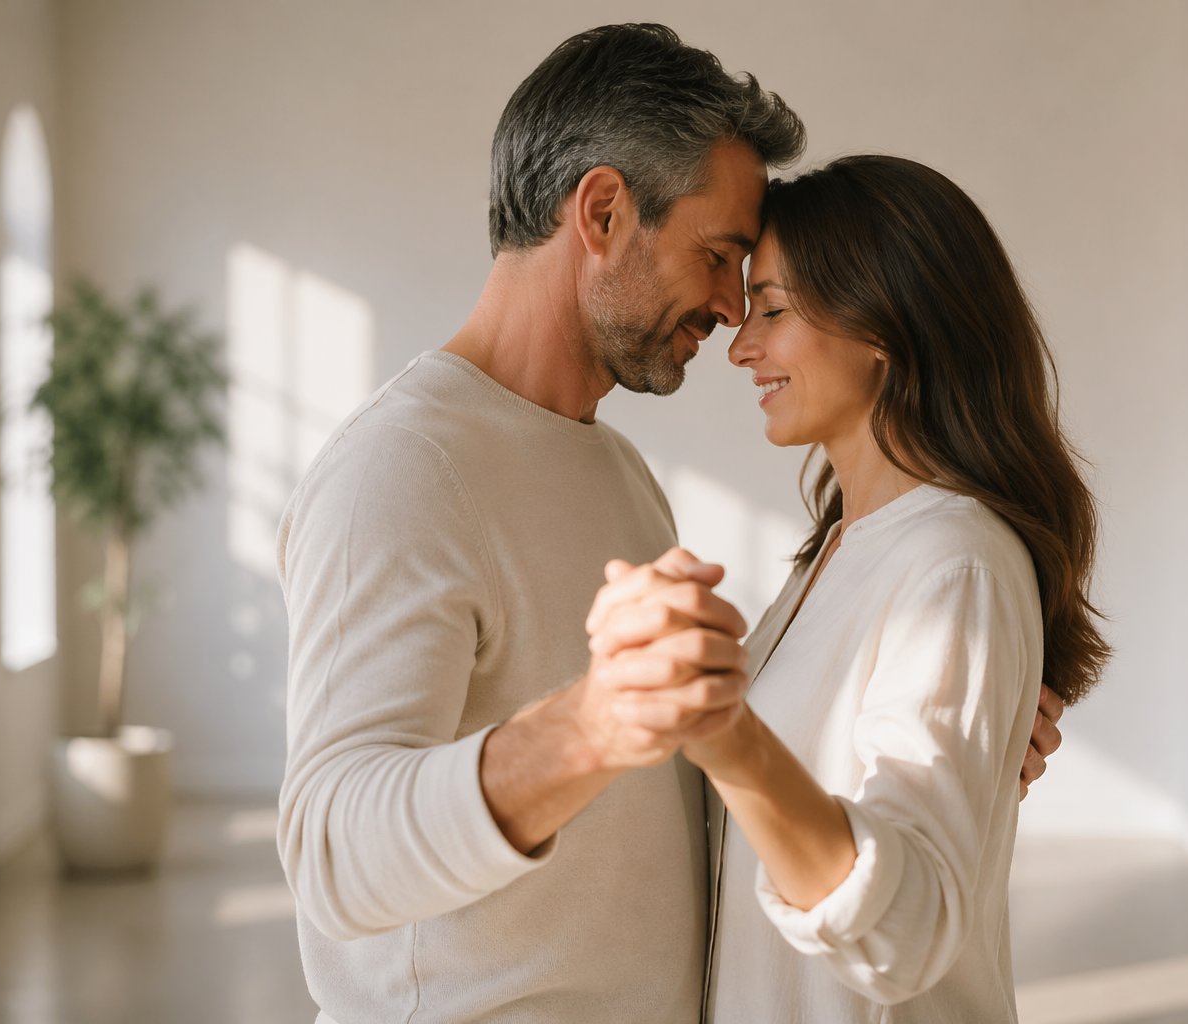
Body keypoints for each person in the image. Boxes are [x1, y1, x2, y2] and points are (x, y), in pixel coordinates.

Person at [277, 25, 1062, 1023]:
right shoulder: (401, 467)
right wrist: (589, 725)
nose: (734, 311)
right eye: (720, 254)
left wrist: (912, 749)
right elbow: (335, 853)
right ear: (603, 211)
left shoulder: (618, 471)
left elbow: (674, 789)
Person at [587, 156, 1108, 1022]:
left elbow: (906, 932)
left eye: (775, 309)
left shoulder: (955, 566)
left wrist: (727, 732)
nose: (742, 345)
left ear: (884, 326)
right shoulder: (834, 552)